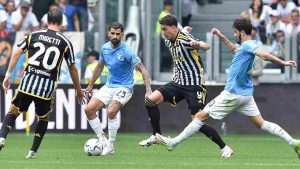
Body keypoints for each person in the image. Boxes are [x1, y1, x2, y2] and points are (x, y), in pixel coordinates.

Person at [156, 18, 300, 158]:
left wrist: (283, 62)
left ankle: (173, 142)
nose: (234, 34)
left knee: (199, 117)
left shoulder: (249, 46)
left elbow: (263, 54)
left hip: (232, 93)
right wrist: (220, 35)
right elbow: (233, 49)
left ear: (242, 32)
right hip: (246, 95)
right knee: (261, 123)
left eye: (235, 32)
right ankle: (293, 142)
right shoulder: (245, 47)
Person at [139, 15, 233, 158]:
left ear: (174, 27)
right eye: (162, 29)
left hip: (194, 85)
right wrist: (186, 30)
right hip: (177, 83)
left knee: (197, 121)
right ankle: (156, 136)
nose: (163, 32)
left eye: (165, 29)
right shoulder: (169, 39)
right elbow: (181, 32)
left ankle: (224, 147)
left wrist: (197, 44)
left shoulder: (185, 40)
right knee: (150, 100)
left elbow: (205, 46)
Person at [0, 8, 86, 159]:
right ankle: (32, 151)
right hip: (46, 89)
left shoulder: (33, 35)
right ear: (61, 22)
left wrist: (7, 75)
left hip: (27, 83)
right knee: (43, 118)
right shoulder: (65, 42)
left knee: (13, 112)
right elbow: (73, 68)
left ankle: (1, 137)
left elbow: (16, 53)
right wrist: (78, 90)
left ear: (47, 21)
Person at [84, 22, 152, 156]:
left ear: (122, 34)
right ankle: (102, 140)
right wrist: (90, 85)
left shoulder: (127, 51)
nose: (115, 36)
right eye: (112, 33)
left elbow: (143, 69)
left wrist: (148, 90)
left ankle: (110, 145)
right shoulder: (104, 48)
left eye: (118, 34)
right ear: (108, 33)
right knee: (88, 109)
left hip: (124, 87)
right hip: (109, 86)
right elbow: (99, 67)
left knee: (111, 112)